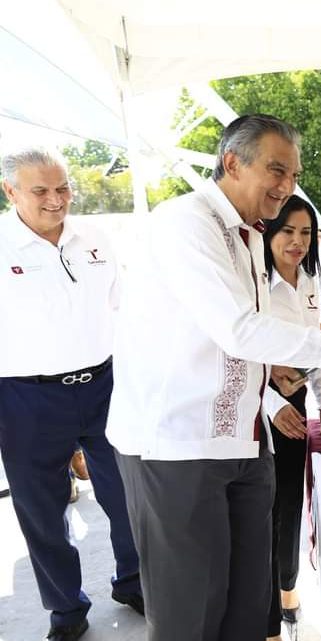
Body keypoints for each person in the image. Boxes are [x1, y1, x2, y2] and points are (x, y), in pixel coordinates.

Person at [106, 114, 321, 641]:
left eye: (293, 174)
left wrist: (287, 375)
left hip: (246, 443)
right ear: (232, 163)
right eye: (276, 170)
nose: (286, 187)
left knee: (249, 608)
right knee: (190, 615)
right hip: (179, 444)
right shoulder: (187, 222)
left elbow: (252, 341)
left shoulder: (247, 237)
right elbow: (239, 330)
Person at [0, 146, 143, 641]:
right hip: (25, 398)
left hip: (104, 384)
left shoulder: (95, 238)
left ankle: (133, 580)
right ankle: (66, 608)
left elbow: (123, 308)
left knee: (126, 492)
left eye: (63, 188)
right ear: (10, 191)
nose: (56, 200)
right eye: (41, 191)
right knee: (41, 510)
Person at [261, 195, 321, 639]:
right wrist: (272, 404)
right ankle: (266, 618)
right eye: (287, 232)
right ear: (269, 233)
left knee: (291, 503)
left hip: (295, 403)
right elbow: (236, 356)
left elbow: (314, 350)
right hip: (254, 406)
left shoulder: (312, 280)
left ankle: (287, 589)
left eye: (306, 233)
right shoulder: (253, 282)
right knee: (261, 511)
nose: (297, 242)